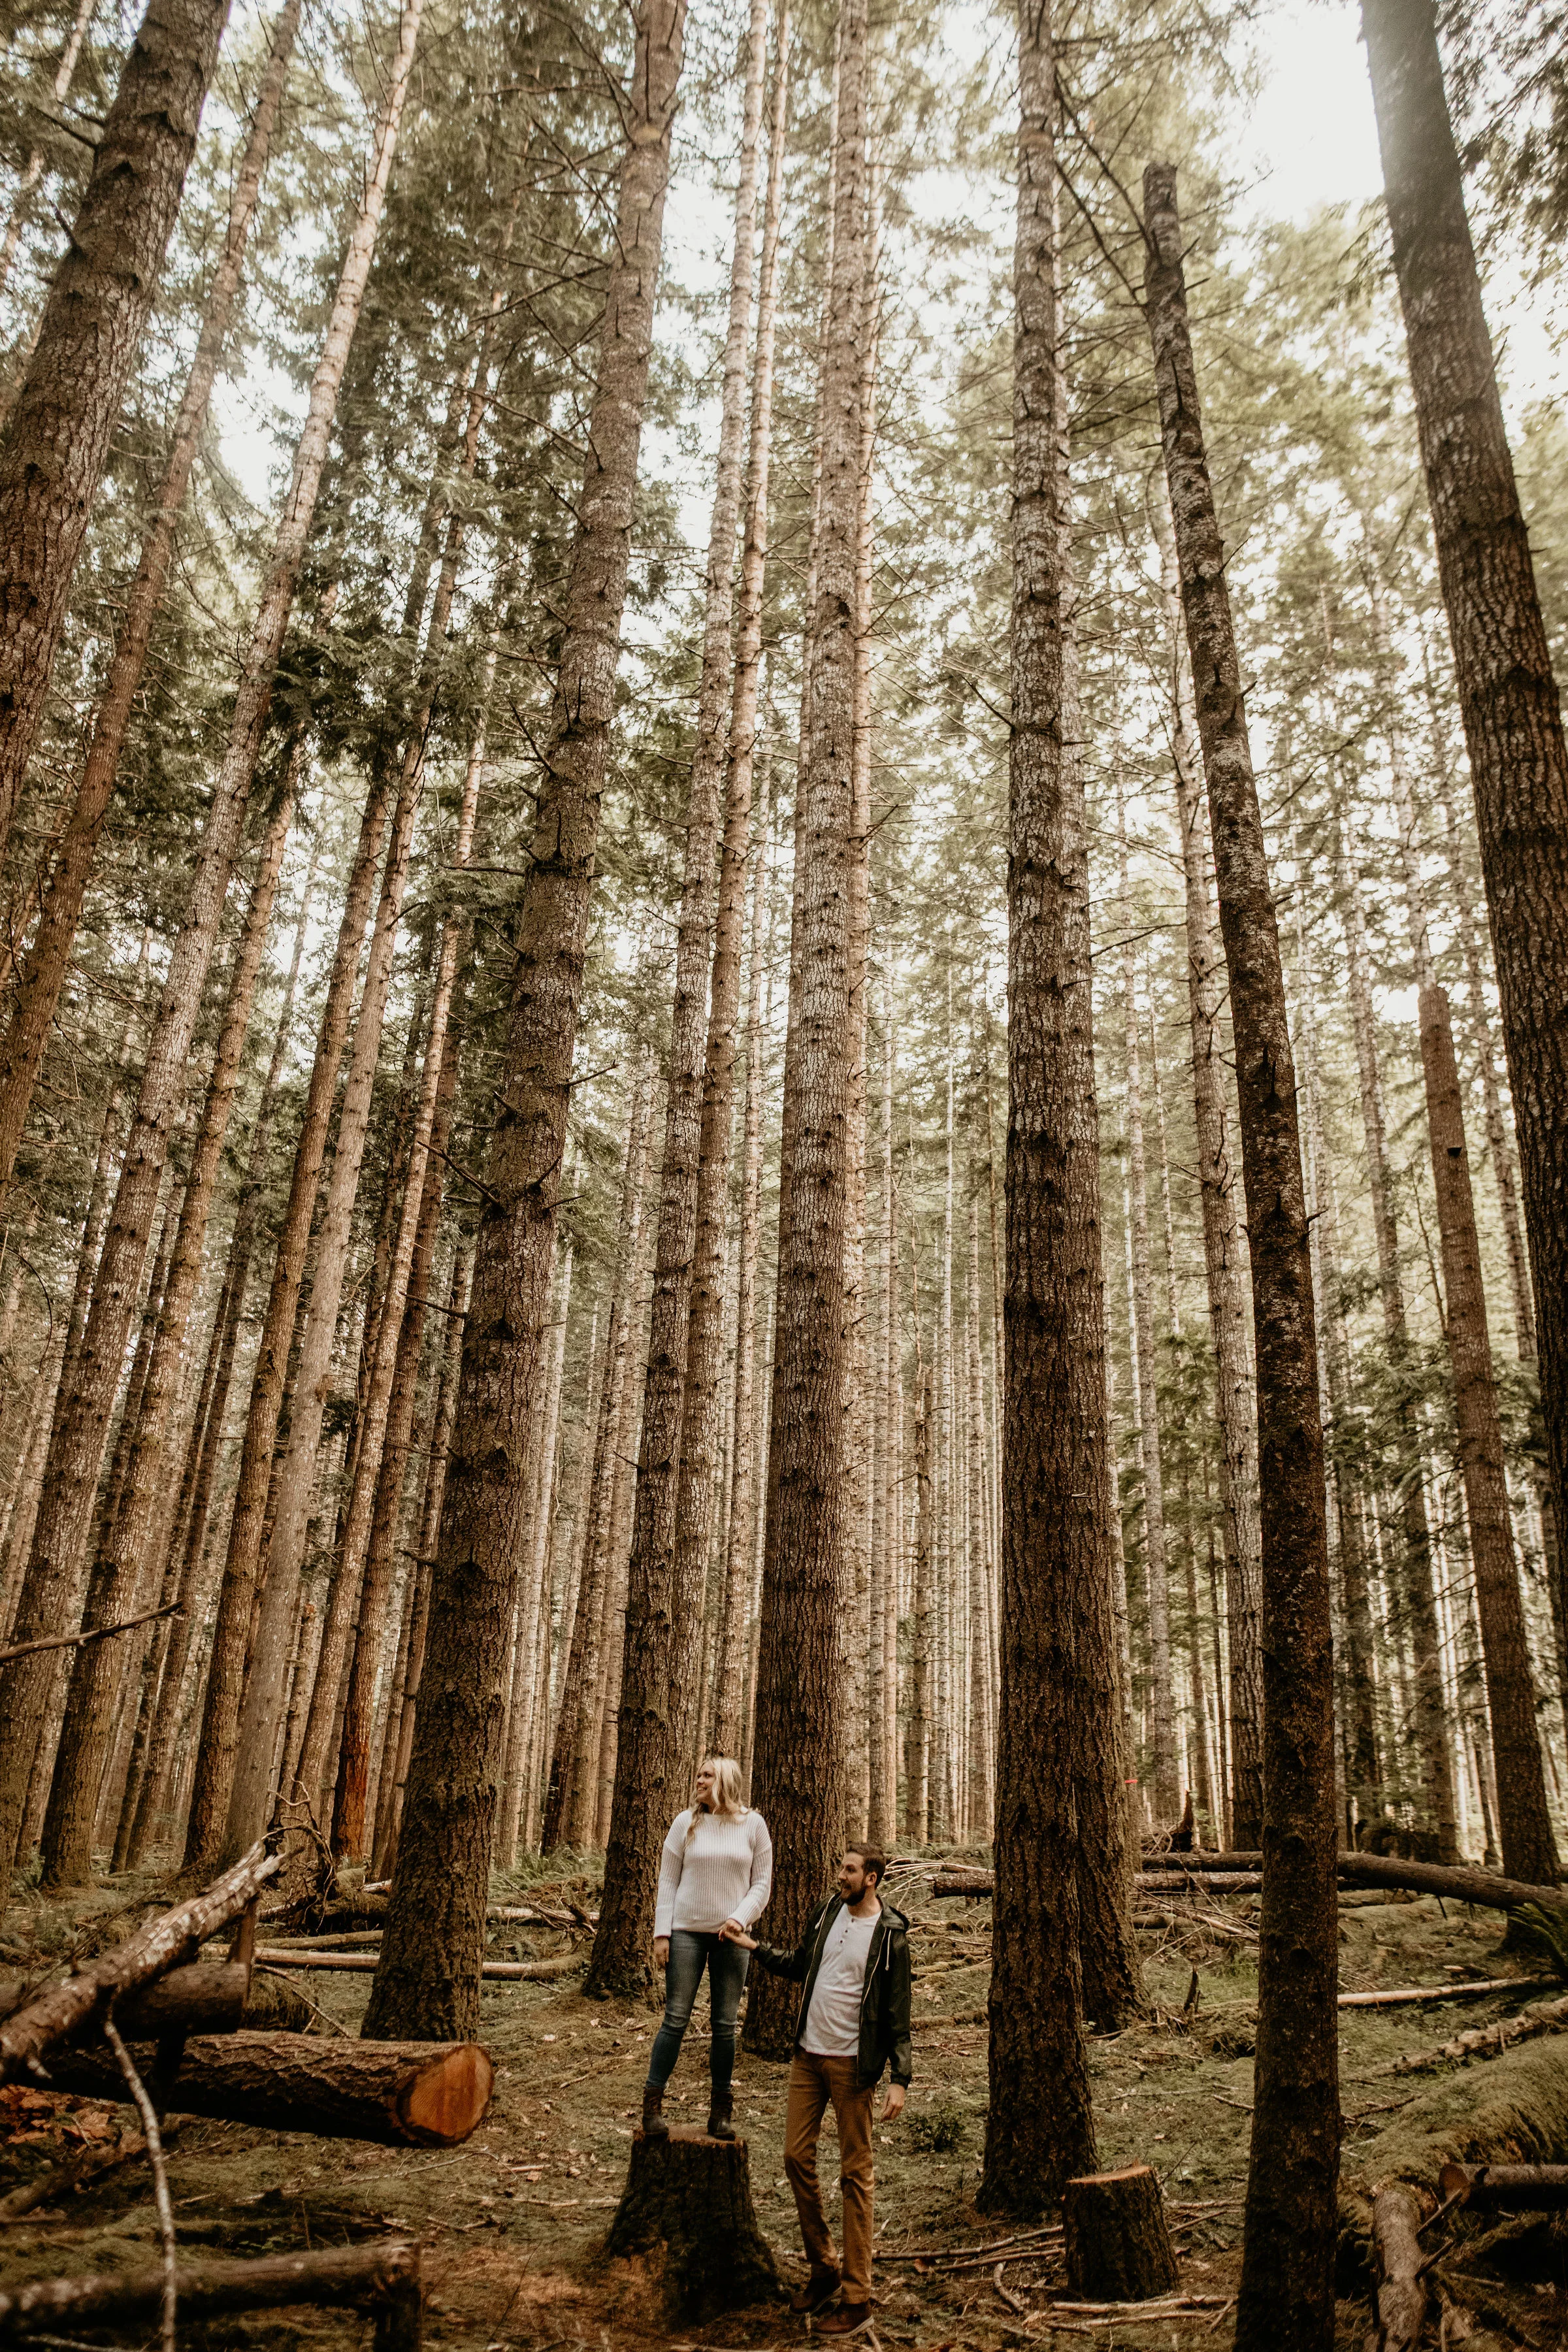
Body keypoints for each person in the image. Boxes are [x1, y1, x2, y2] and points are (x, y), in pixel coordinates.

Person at [723, 1841, 911, 2333]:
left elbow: (897, 2013)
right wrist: (755, 1948)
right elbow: (801, 1963)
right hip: (808, 2057)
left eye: (849, 1870)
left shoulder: (890, 1933)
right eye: (841, 1868)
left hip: (854, 2067)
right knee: (794, 2156)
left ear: (871, 1878)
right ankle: (824, 2266)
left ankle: (857, 2296)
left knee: (856, 2176)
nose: (840, 1876)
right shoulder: (828, 1911)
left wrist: (900, 2078)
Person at [644, 1754, 772, 2142]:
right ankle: (652, 2107)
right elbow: (667, 1881)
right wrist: (661, 1934)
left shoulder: (753, 1824)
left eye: (707, 1775)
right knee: (676, 2018)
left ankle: (720, 2113)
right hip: (686, 1932)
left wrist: (740, 1917)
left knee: (724, 2026)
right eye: (698, 1774)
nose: (698, 1780)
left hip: (731, 1938)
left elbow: (761, 1884)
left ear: (726, 1781)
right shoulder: (685, 1823)